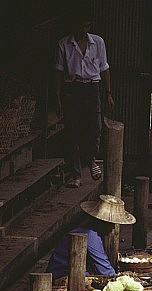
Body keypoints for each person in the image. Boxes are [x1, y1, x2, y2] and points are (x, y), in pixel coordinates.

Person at [55, 12, 112, 185]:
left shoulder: (97, 42)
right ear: (75, 26)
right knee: (73, 129)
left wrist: (109, 92)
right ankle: (76, 173)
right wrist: (57, 97)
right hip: (72, 87)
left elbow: (104, 68)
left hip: (92, 87)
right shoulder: (64, 44)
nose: (83, 30)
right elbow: (58, 72)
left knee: (94, 127)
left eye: (87, 26)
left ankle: (91, 159)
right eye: (81, 26)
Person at [47, 195, 136, 280]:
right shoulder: (91, 235)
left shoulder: (89, 231)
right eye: (112, 224)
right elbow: (104, 269)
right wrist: (119, 279)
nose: (113, 228)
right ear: (103, 222)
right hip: (62, 276)